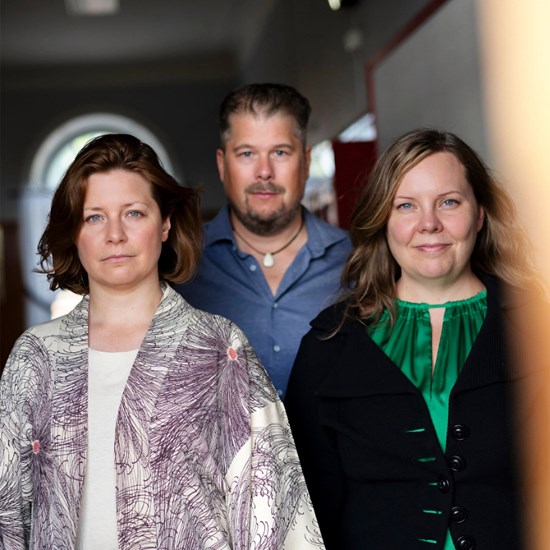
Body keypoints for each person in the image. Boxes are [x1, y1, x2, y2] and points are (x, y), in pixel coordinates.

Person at [0, 134, 325, 550]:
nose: (115, 234)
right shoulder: (36, 357)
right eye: (94, 217)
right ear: (74, 232)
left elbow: (275, 510)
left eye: (134, 213)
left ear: (165, 224)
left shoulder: (220, 349)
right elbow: (8, 512)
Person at [285, 128, 549, 549]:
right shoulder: (328, 345)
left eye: (449, 202)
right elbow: (308, 512)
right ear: (383, 220)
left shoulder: (538, 329)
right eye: (406, 205)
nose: (429, 224)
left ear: (480, 214)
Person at [174, 83, 351, 399]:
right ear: (222, 165)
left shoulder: (357, 261)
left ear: (306, 162)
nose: (264, 172)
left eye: (280, 152)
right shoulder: (179, 264)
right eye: (247, 154)